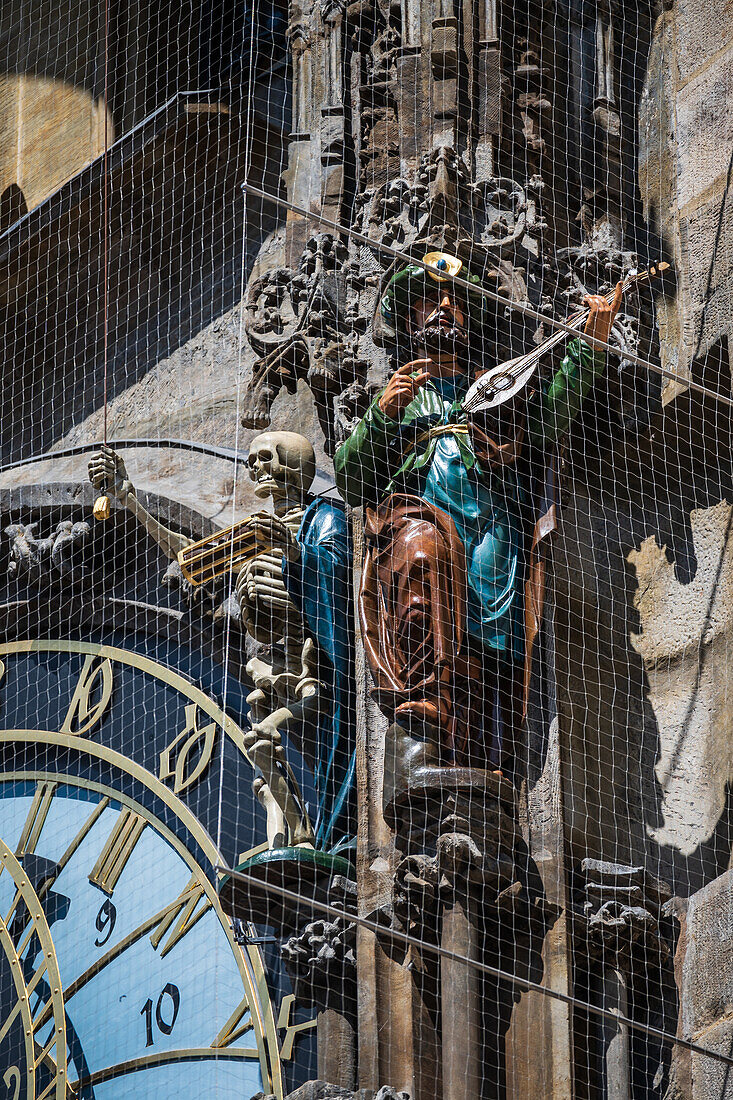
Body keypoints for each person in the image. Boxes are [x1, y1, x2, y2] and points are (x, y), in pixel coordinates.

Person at [334, 250, 622, 776]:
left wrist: (589, 345)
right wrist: (380, 417)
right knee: (424, 560)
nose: (444, 307)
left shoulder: (493, 390)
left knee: (494, 631)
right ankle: (424, 730)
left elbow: (548, 417)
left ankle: (491, 763)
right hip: (422, 523)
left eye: (456, 301)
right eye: (429, 299)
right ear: (409, 316)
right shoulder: (401, 395)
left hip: (490, 523)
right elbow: (352, 480)